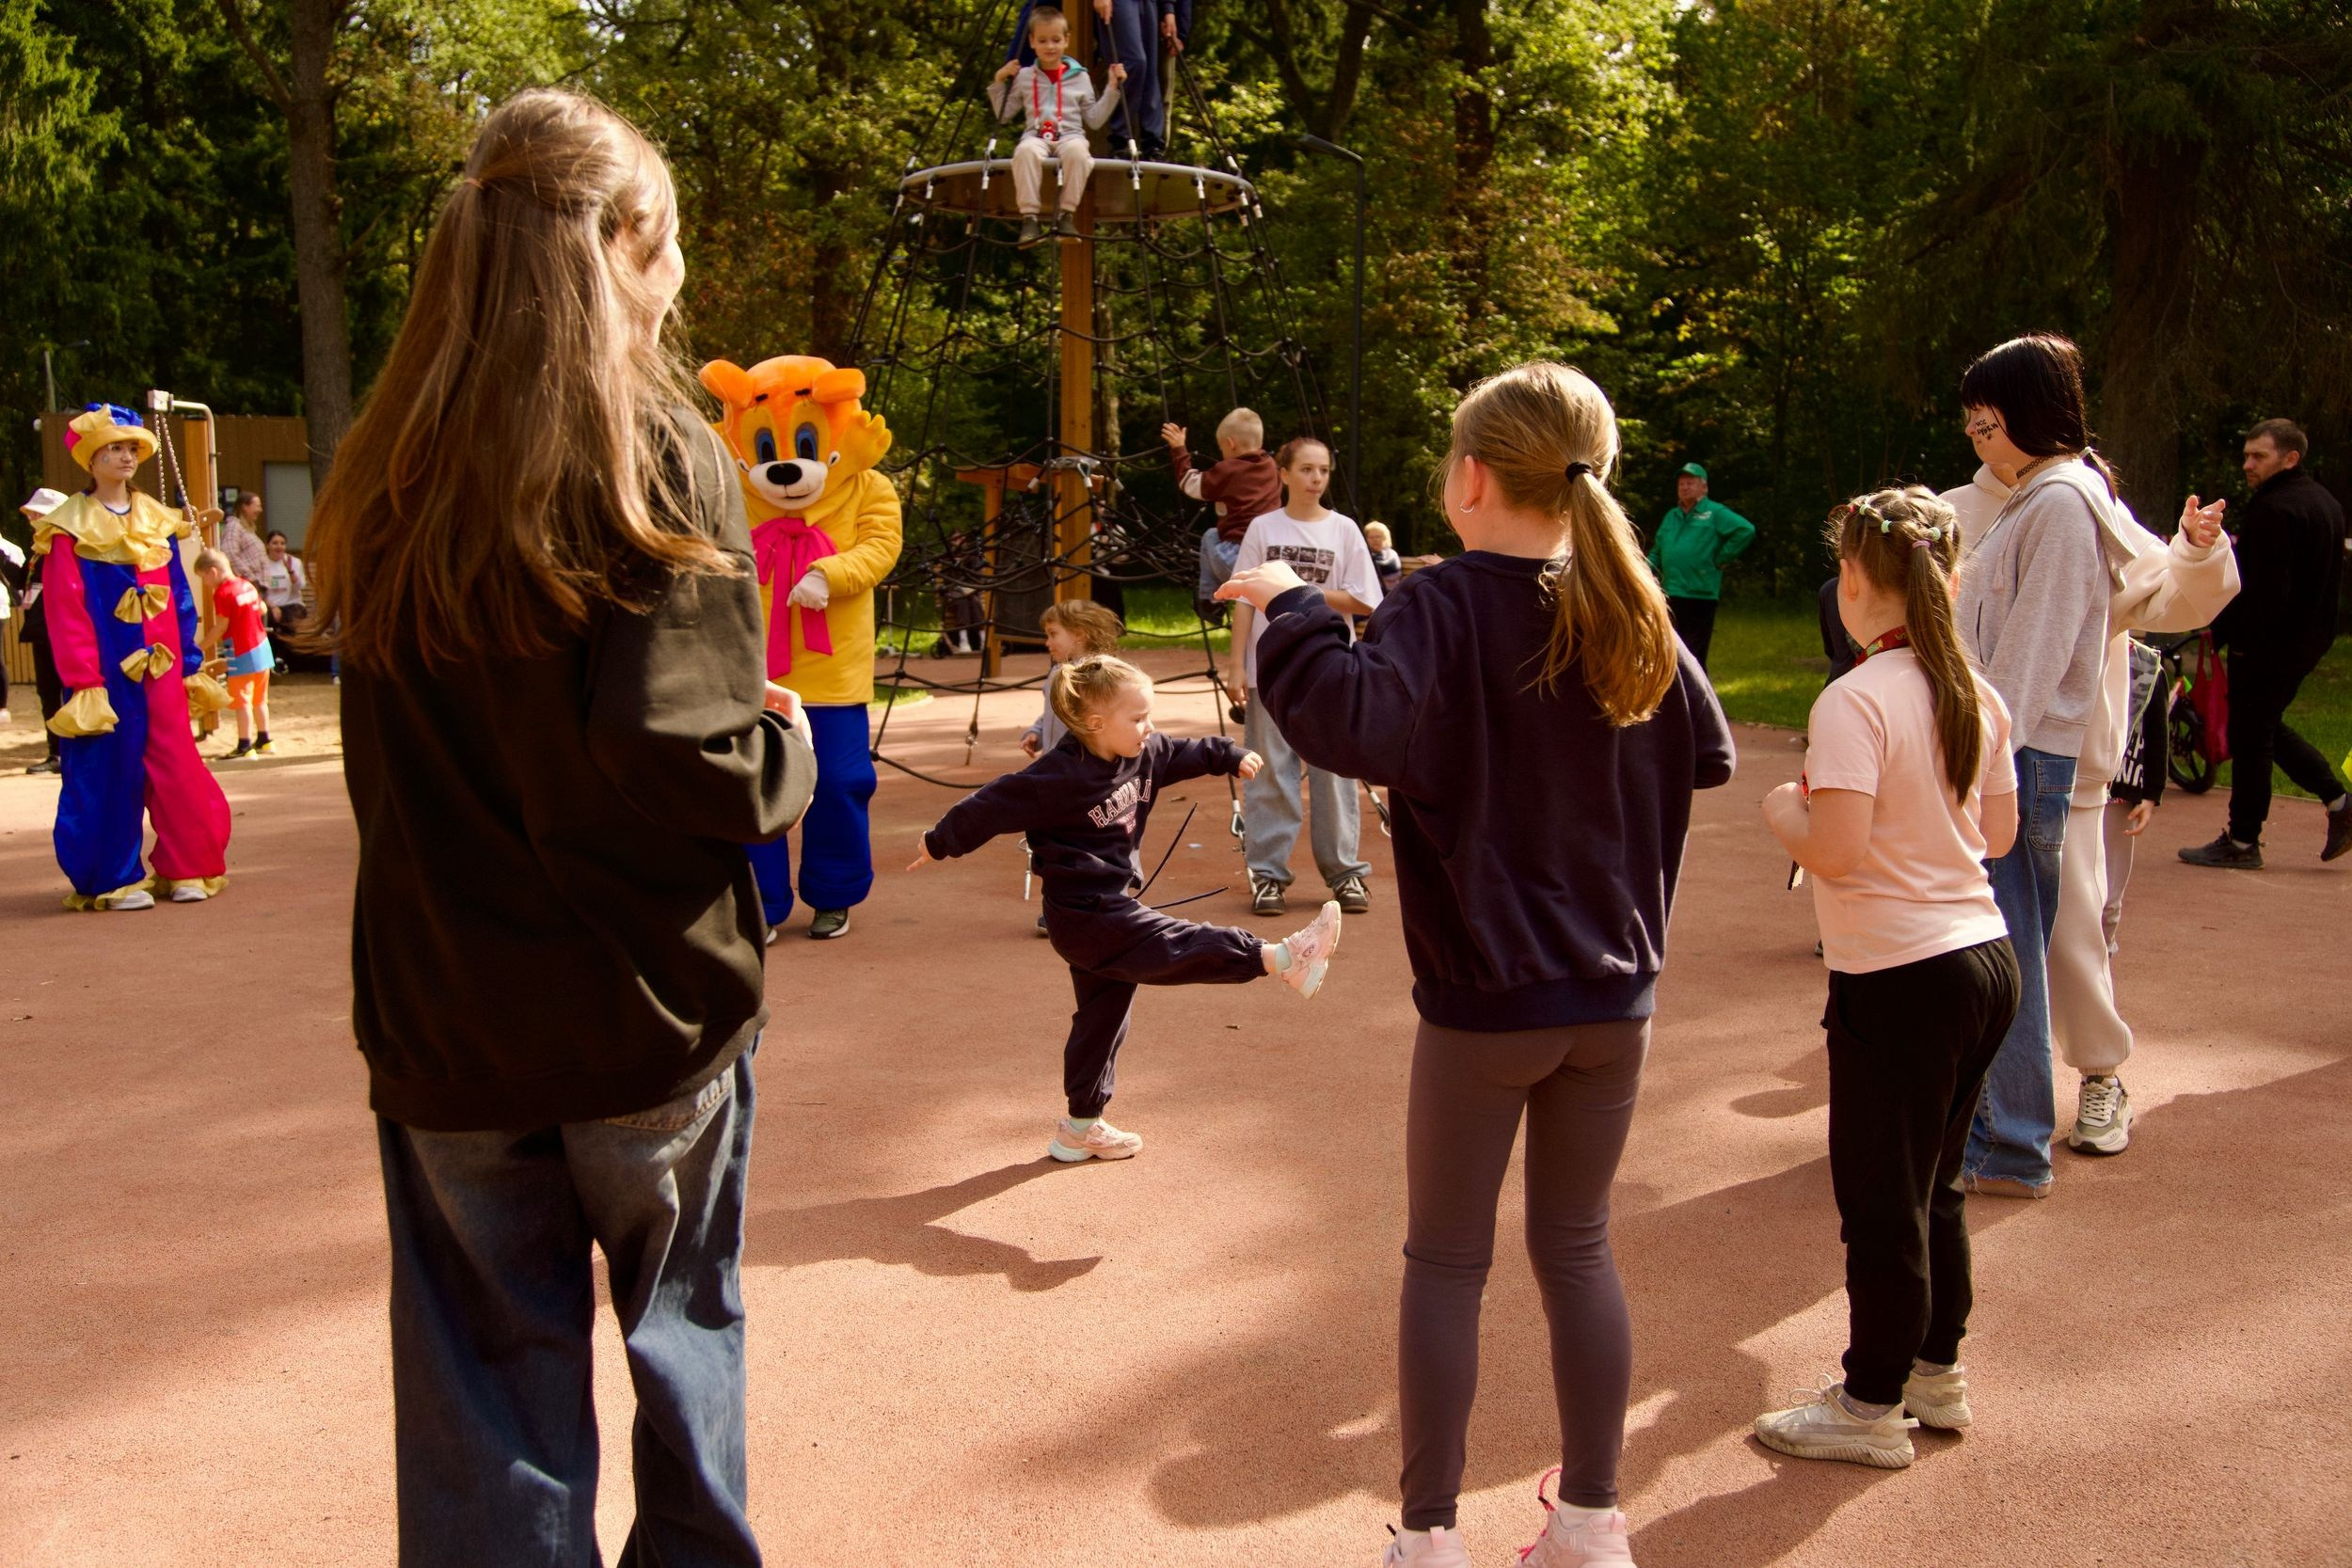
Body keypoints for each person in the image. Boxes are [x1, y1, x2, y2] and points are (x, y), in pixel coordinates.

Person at [305, 89, 819, 1568]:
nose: (683, 279)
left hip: (445, 1015)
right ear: (613, 242)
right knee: (684, 1346)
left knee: (483, 1405)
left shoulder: (386, 467)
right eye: (670, 243)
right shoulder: (657, 453)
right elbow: (686, 759)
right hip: (645, 1006)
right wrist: (779, 741)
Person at [1220, 361, 1736, 1568]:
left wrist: (1290, 607)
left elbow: (1348, 721)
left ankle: (1430, 1534)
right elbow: (1700, 751)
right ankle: (1595, 1521)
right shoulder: (1630, 605)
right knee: (1579, 1246)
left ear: (1467, 480)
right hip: (1616, 996)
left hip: (1488, 999)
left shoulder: (1447, 604)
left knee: (1446, 1259)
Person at [1756, 487, 2023, 1469]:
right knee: (1933, 1185)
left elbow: (1836, 847)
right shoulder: (1975, 694)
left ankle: (1868, 1401)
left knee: (1880, 1197)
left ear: (1858, 587)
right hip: (1984, 962)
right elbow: (1994, 835)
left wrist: (1785, 809)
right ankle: (1932, 1370)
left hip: (1899, 976)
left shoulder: (1855, 699)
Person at [910, 654, 1340, 1163]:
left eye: (1148, 715)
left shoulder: (1145, 752)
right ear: (1095, 724)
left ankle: (1079, 1127)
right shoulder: (1056, 776)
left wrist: (1227, 754)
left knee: (1103, 1016)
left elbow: (1182, 751)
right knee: (1170, 940)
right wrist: (938, 843)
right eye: (1136, 718)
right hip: (1081, 913)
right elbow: (990, 805)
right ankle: (1282, 959)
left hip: (1110, 903)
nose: (1148, 727)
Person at [1948, 333, 2123, 1201]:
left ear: (2026, 413)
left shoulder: (2059, 501)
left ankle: (2011, 1141)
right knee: (2002, 942)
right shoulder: (2039, 495)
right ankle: (1997, 1129)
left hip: (2021, 756)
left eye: (1987, 419)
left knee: (2008, 945)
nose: (1977, 435)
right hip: (2014, 749)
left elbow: (2031, 651)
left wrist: (1976, 758)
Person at [33, 404, 233, 911]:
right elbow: (65, 607)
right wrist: (84, 678)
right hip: (104, 674)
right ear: (90, 458)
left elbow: (179, 595)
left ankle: (188, 866)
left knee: (176, 761)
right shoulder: (68, 528)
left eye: (131, 449)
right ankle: (113, 877)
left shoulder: (156, 518)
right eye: (114, 449)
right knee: (110, 766)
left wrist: (188, 660)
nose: (125, 458)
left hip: (162, 668)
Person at [2180, 418, 2352, 868]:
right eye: (2246, 455)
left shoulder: (2273, 510)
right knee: (2262, 726)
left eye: (2259, 456)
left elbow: (2258, 590)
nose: (2247, 464)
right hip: (2307, 641)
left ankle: (2242, 842)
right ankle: (2339, 803)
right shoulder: (2327, 504)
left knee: (2252, 736)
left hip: (2268, 644)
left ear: (2290, 458)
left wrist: (2223, 634)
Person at [1227, 436, 1382, 916]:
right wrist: (1238, 664)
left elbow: (1365, 600)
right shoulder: (1262, 527)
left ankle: (1345, 874)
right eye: (1308, 470)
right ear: (1285, 473)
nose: (1316, 479)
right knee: (1270, 771)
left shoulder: (1344, 531)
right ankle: (1268, 876)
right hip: (1269, 671)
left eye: (1324, 471)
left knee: (1334, 771)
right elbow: (1243, 596)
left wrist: (1299, 589)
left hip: (1331, 669)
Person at [990, 6, 1125, 248]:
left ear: (1066, 41)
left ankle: (1066, 215)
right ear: (1032, 42)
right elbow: (1005, 114)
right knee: (1025, 152)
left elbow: (1094, 119)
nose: (1049, 47)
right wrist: (999, 81)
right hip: (1036, 134)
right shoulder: (1025, 76)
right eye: (1042, 40)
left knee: (1079, 154)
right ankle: (1030, 218)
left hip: (1070, 134)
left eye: (1055, 40)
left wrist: (1112, 88)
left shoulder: (1079, 77)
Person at [1166, 408, 1282, 621]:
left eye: (1221, 448)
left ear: (1230, 444)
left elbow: (1191, 484)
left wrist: (1179, 450)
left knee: (1211, 535)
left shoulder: (1229, 470)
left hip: (1236, 558)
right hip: (1270, 559)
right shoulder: (1272, 467)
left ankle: (1210, 601)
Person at [1645, 461, 1754, 669]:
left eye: (1690, 482)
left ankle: (1697, 697)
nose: (1684, 487)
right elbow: (1658, 549)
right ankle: (1672, 695)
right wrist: (1644, 573)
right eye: (1681, 484)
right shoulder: (1671, 516)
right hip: (1671, 591)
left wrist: (1721, 558)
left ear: (1704, 487)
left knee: (1694, 654)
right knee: (1668, 650)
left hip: (1700, 592)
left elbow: (1745, 530)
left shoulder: (1714, 512)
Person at [194, 548, 276, 759]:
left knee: (242, 701)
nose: (206, 583)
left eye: (204, 578)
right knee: (260, 699)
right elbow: (262, 609)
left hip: (241, 651)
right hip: (262, 647)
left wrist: (200, 647)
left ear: (212, 572)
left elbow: (221, 626)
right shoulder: (246, 584)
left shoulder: (223, 593)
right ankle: (265, 740)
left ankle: (244, 744)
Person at [1022, 597, 1124, 758]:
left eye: (1053, 634)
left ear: (1079, 634)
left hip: (1082, 762)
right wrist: (1037, 732)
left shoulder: (1096, 674)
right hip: (1054, 760)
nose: (1047, 642)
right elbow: (1053, 710)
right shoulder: (1058, 672)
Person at [13, 489, 68, 772]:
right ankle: (56, 752)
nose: (32, 517)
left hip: (65, 630)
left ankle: (69, 751)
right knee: (47, 691)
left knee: (68, 688)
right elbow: (23, 581)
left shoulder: (66, 545)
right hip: (41, 630)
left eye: (38, 512)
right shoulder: (38, 548)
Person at [254, 530, 309, 637]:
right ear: (268, 545)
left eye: (282, 543)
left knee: (288, 619)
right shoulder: (261, 563)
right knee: (269, 618)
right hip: (270, 605)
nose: (279, 546)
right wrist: (273, 607)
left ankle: (287, 651)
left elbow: (300, 586)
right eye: (275, 543)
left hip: (291, 604)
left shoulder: (293, 562)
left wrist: (291, 572)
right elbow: (258, 590)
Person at [219, 490, 270, 582]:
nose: (260, 510)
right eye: (257, 506)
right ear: (244, 507)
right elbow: (229, 553)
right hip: (248, 585)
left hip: (257, 586)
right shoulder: (234, 526)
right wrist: (249, 578)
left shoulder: (247, 529)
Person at [1364, 520, 1405, 596]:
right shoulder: (1364, 554)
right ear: (1366, 540)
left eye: (1378, 536)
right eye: (1371, 537)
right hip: (1370, 595)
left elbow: (1392, 570)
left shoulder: (1391, 554)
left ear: (1385, 537)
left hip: (1390, 594)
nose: (1375, 540)